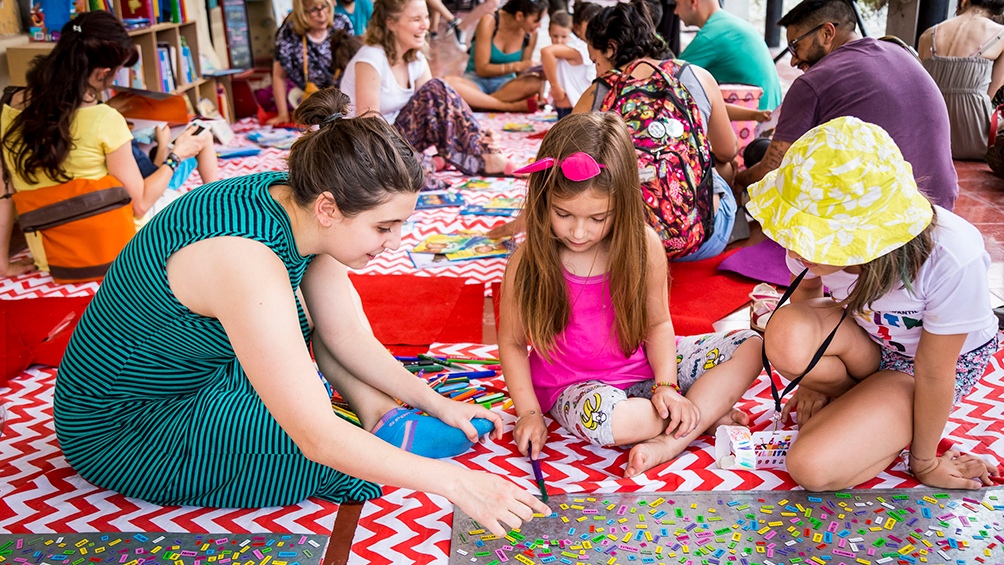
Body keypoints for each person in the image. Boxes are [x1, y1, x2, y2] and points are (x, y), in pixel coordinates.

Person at [54, 87, 551, 534]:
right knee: (327, 456)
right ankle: (377, 429)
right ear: (331, 208)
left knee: (314, 368)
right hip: (126, 426)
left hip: (198, 376)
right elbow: (315, 436)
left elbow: (347, 335)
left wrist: (434, 402)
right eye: (384, 227)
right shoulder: (245, 258)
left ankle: (381, 420)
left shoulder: (300, 196)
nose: (395, 243)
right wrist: (457, 484)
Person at [498, 112, 762, 479]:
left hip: (646, 370)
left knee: (751, 345)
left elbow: (657, 323)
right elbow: (511, 343)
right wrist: (528, 412)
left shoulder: (643, 246)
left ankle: (676, 432)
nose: (578, 231)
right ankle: (704, 412)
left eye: (597, 218)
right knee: (614, 423)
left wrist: (667, 385)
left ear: (621, 205)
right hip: (573, 387)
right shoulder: (526, 262)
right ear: (544, 200)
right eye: (563, 214)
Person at [748, 116, 1000, 491]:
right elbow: (804, 298)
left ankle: (889, 417)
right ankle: (872, 411)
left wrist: (925, 462)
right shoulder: (807, 248)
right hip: (870, 342)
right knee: (783, 332)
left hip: (924, 369)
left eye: (812, 236)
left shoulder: (951, 257)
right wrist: (812, 382)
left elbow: (934, 370)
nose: (794, 248)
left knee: (811, 468)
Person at [0, 12, 208, 279]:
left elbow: (4, 192)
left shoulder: (8, 106)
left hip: (51, 255)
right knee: (192, 204)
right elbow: (140, 204)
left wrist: (3, 264)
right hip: (115, 248)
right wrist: (176, 155)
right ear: (102, 73)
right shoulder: (103, 119)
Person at [734, 0, 959, 211]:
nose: (793, 60)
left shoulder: (812, 82)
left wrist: (737, 180)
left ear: (826, 33)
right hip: (941, 205)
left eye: (795, 46)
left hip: (886, 219)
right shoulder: (900, 50)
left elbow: (771, 170)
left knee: (760, 155)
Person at [574, 0, 740, 261]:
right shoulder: (695, 75)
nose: (596, 70)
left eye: (596, 61)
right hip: (700, 242)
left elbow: (559, 166)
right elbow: (728, 149)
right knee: (721, 166)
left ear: (611, 48)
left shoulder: (597, 93)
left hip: (624, 247)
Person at [341, 0, 516, 185]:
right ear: (390, 23)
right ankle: (433, 162)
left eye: (426, 17)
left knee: (437, 88)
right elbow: (368, 128)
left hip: (396, 139)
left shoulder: (415, 56)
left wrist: (479, 136)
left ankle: (484, 155)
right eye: (416, 19)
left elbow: (438, 108)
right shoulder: (371, 59)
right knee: (409, 178)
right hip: (366, 146)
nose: (425, 25)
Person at [918, 0, 1004, 160]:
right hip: (973, 138)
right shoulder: (1001, 35)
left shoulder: (928, 34)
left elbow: (922, 87)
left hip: (930, 136)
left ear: (964, 1)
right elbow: (992, 91)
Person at [674, 0, 782, 111]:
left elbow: (668, 78)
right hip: (770, 114)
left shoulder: (711, 35)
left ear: (693, 2)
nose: (675, 11)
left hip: (753, 122)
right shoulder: (729, 23)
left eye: (677, 4)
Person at [445, 0, 549, 113]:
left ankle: (477, 103)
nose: (539, 25)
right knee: (448, 83)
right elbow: (482, 69)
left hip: (505, 85)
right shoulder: (489, 21)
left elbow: (521, 74)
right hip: (475, 81)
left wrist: (540, 74)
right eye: (536, 20)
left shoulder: (530, 34)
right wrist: (517, 66)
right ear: (519, 16)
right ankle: (508, 107)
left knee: (534, 83)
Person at [268, 0, 355, 125]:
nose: (322, 14)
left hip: (344, 101)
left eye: (325, 7)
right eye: (314, 10)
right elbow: (279, 76)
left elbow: (354, 67)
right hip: (311, 104)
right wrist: (282, 114)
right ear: (301, 12)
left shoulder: (342, 24)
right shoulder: (288, 34)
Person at [127, 122, 219, 222]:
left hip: (154, 187)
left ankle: (216, 194)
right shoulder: (122, 142)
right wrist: (169, 150)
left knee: (202, 137)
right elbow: (148, 193)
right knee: (201, 138)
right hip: (154, 196)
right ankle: (216, 196)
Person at [540, 4, 601, 118]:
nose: (559, 40)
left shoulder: (582, 48)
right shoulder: (579, 48)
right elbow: (547, 52)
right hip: (572, 107)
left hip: (575, 107)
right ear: (577, 28)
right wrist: (555, 87)